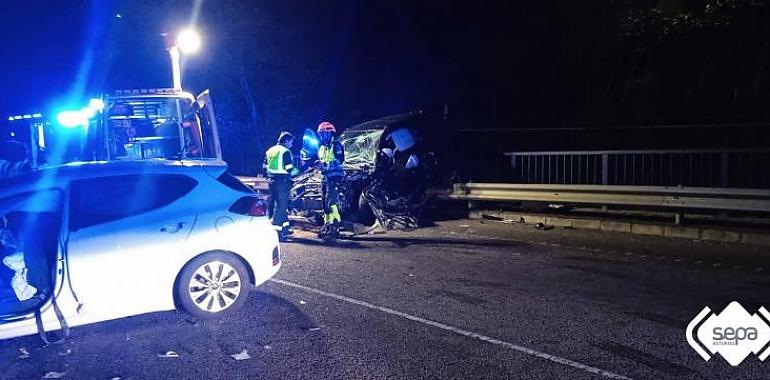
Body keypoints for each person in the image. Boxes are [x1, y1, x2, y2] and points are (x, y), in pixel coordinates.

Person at [264, 132, 299, 240]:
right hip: (282, 181)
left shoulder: (270, 150)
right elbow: (289, 168)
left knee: (278, 203)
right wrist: (298, 172)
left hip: (271, 181)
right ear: (286, 140)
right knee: (281, 206)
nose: (292, 144)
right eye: (291, 142)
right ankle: (276, 232)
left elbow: (264, 166)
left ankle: (285, 229)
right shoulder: (285, 151)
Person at [316, 121, 345, 240]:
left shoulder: (336, 145)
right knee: (325, 204)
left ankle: (335, 226)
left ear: (329, 133)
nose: (321, 136)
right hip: (325, 178)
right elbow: (322, 160)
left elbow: (339, 161)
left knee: (331, 203)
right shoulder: (322, 147)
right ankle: (327, 225)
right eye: (320, 134)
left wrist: (325, 166)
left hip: (334, 178)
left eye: (323, 133)